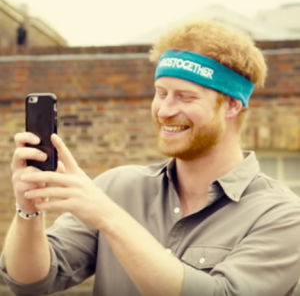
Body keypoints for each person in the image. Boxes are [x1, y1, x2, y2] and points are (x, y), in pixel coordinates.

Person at [1, 20, 300, 296]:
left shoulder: (282, 215)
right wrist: (28, 210)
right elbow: (31, 282)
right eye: (160, 93)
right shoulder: (118, 187)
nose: (165, 110)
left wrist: (109, 218)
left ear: (232, 105)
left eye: (185, 96)